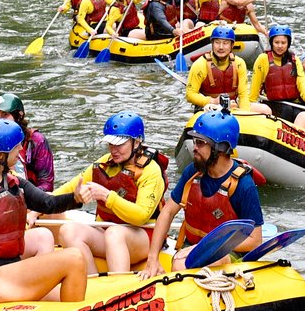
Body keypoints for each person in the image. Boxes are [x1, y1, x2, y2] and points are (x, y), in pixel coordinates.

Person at [0, 119, 91, 303]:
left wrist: (74, 199)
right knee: (74, 258)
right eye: (16, 147)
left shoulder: (13, 182)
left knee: (60, 294)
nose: (21, 149)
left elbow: (48, 203)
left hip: (10, 268)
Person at [141, 111, 263, 276]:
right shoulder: (193, 172)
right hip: (191, 247)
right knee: (180, 263)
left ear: (220, 148)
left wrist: (206, 247)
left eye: (200, 143)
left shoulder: (244, 185)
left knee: (181, 265)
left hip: (226, 254)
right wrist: (152, 257)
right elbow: (168, 212)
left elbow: (255, 241)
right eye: (194, 141)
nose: (194, 148)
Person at [53, 112, 167, 274]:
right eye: (111, 144)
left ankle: (119, 286)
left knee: (115, 233)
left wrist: (107, 197)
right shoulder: (105, 162)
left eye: (119, 144)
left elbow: (141, 215)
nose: (114, 150)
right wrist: (35, 209)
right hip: (108, 232)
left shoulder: (150, 171)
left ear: (137, 142)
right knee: (68, 230)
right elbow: (68, 188)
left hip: (143, 236)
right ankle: (93, 281)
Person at [0, 92, 55, 191]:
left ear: (18, 116)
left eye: (5, 115)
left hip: (32, 195)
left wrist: (29, 197)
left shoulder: (37, 141)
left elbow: (46, 183)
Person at [248, 25, 305, 121]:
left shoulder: (294, 60)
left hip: (293, 102)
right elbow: (255, 86)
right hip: (272, 103)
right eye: (276, 42)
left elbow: (301, 82)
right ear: (271, 43)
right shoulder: (263, 59)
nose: (280, 46)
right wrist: (251, 104)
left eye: (283, 43)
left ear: (288, 44)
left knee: (298, 113)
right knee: (287, 110)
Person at [185, 24, 250, 109]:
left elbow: (243, 95)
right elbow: (190, 95)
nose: (221, 47)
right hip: (208, 109)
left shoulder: (239, 63)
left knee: (265, 109)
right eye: (217, 42)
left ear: (232, 45)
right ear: (212, 43)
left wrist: (244, 113)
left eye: (225, 43)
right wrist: (212, 101)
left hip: (233, 106)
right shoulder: (200, 65)